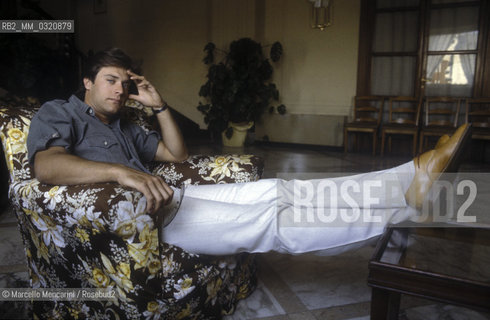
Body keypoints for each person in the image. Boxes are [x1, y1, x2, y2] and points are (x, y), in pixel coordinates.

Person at [27, 48, 472, 256]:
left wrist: (160, 106)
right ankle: (402, 208)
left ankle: (409, 176)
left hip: (176, 199)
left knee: (278, 190)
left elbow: (177, 156)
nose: (121, 89)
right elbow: (45, 165)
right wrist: (122, 174)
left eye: (126, 82)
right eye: (110, 79)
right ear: (87, 82)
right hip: (144, 216)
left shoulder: (125, 123)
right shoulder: (60, 112)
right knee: (272, 220)